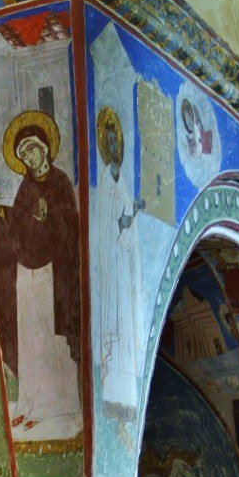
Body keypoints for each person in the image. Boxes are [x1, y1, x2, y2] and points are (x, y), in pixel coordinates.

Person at [0, 110, 81, 434]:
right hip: (28, 277)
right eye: (23, 152)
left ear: (45, 147)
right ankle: (30, 403)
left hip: (55, 275)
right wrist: (7, 213)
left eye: (32, 148)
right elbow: (19, 224)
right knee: (30, 338)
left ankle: (58, 405)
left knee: (50, 338)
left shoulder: (61, 182)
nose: (29, 155)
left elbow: (68, 228)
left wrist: (47, 217)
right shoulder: (26, 188)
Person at [94, 105, 145, 412]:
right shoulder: (104, 186)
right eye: (109, 143)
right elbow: (105, 227)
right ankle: (113, 392)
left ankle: (128, 394)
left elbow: (126, 226)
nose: (113, 148)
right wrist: (125, 221)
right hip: (112, 266)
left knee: (126, 325)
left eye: (117, 143)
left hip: (124, 267)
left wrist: (132, 215)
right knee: (116, 326)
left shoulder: (123, 182)